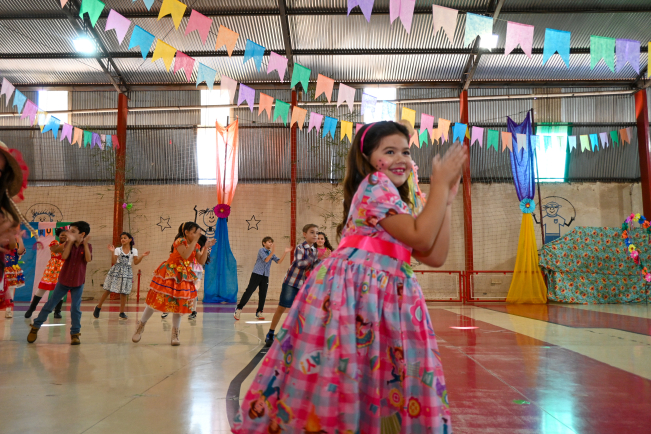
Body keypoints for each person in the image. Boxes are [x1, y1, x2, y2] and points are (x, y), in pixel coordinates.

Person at [232, 121, 466, 433]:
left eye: (406, 152)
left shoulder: (398, 201)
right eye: (389, 151)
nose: (401, 158)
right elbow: (421, 236)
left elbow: (434, 256)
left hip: (383, 296)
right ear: (367, 158)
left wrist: (446, 199)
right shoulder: (375, 184)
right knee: (348, 369)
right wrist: (439, 186)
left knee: (374, 373)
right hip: (356, 293)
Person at [132, 222, 214, 346]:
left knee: (179, 304)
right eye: (194, 232)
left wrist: (205, 248)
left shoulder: (196, 245)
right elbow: (185, 255)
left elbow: (201, 261)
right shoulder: (179, 241)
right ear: (186, 232)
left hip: (183, 276)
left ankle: (175, 333)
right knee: (155, 301)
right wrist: (195, 241)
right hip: (169, 273)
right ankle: (141, 325)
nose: (196, 235)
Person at [27, 221, 93, 345]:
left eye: (73, 231)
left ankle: (75, 333)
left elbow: (88, 259)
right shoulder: (67, 244)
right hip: (64, 281)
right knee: (50, 304)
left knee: (75, 309)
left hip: (78, 282)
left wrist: (85, 245)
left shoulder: (88, 246)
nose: (69, 233)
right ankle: (35, 326)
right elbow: (64, 256)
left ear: (82, 234)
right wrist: (70, 243)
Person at [264, 224, 325, 346]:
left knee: (302, 310)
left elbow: (313, 267)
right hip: (291, 282)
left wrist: (321, 260)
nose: (315, 235)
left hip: (303, 284)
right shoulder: (300, 247)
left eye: (316, 233)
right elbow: (300, 264)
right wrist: (315, 258)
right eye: (312, 232)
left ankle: (296, 334)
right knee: (282, 307)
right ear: (305, 234)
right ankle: (271, 332)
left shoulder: (314, 251)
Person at [0, 141, 32, 319]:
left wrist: (14, 238)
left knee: (9, 289)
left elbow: (18, 249)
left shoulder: (7, 219)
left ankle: (9, 308)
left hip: (9, 266)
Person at [93, 232, 150, 320]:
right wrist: (112, 252)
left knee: (124, 292)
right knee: (109, 290)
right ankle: (98, 307)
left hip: (127, 271)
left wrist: (142, 256)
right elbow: (114, 261)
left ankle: (122, 312)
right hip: (117, 270)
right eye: (122, 238)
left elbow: (135, 262)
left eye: (125, 238)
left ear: (130, 240)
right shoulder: (117, 249)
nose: (123, 239)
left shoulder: (134, 250)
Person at [234, 237, 291, 321]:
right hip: (257, 274)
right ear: (264, 243)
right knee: (249, 291)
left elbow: (279, 262)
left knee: (263, 294)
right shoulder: (261, 250)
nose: (271, 243)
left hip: (265, 275)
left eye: (272, 242)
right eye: (269, 242)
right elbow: (266, 260)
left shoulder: (271, 253)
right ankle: (239, 309)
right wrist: (273, 252)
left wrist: (285, 253)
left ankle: (259, 312)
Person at [24, 227, 68, 319]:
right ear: (58, 236)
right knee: (42, 288)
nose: (63, 236)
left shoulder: (69, 246)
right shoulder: (54, 243)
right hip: (52, 268)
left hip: (63, 268)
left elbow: (65, 256)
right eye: (62, 235)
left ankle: (57, 311)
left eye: (66, 235)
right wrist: (68, 243)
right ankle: (31, 309)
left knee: (60, 290)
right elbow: (55, 250)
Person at [3, 234, 25, 318]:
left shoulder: (15, 251)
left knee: (10, 291)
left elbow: (21, 250)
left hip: (11, 273)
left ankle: (8, 311)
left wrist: (20, 238)